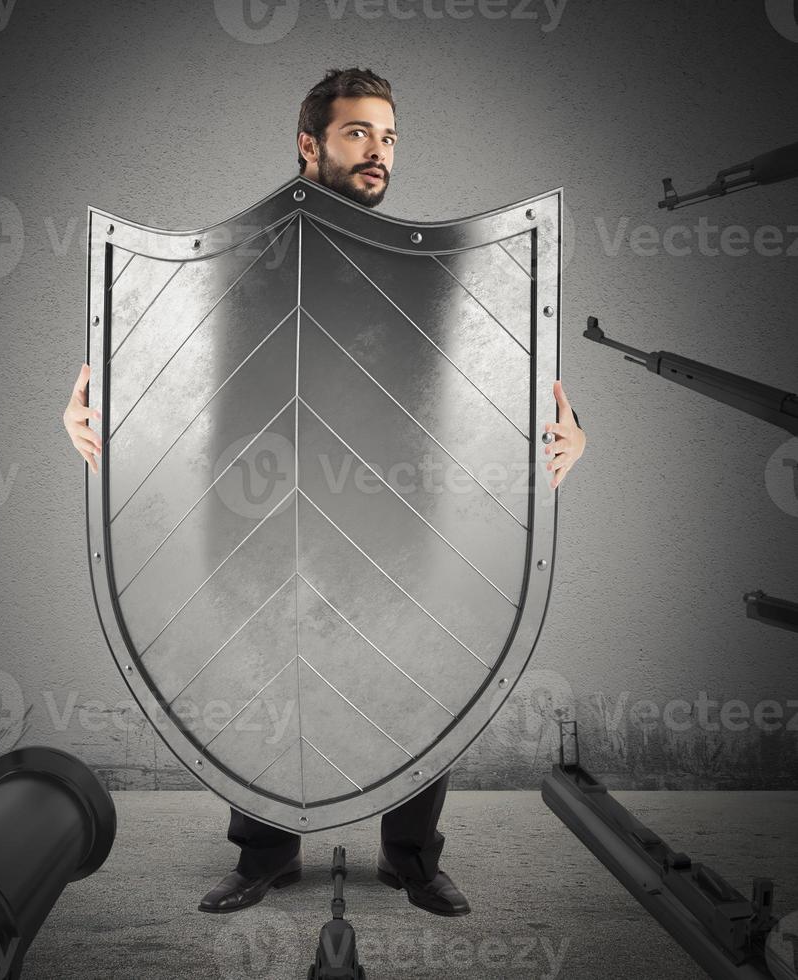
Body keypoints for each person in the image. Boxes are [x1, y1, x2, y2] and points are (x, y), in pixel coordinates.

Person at [63, 67, 587, 918]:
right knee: (262, 649)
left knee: (428, 650)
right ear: (309, 144)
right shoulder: (247, 252)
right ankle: (264, 853)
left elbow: (488, 376)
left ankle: (411, 860)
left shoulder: (429, 266)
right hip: (261, 505)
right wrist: (93, 415)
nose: (378, 152)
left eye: (387, 136)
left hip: (402, 504)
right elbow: (169, 361)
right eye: (357, 134)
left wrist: (569, 431)